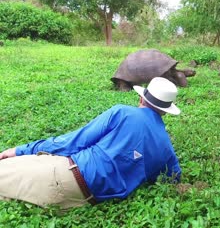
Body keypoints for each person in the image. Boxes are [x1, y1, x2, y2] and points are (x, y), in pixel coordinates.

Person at [0, 77, 182, 209]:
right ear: (165, 111)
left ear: (141, 98)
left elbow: (70, 143)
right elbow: (173, 177)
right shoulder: (166, 148)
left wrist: (19, 150)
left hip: (66, 177)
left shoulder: (123, 112)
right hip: (87, 200)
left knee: (7, 166)